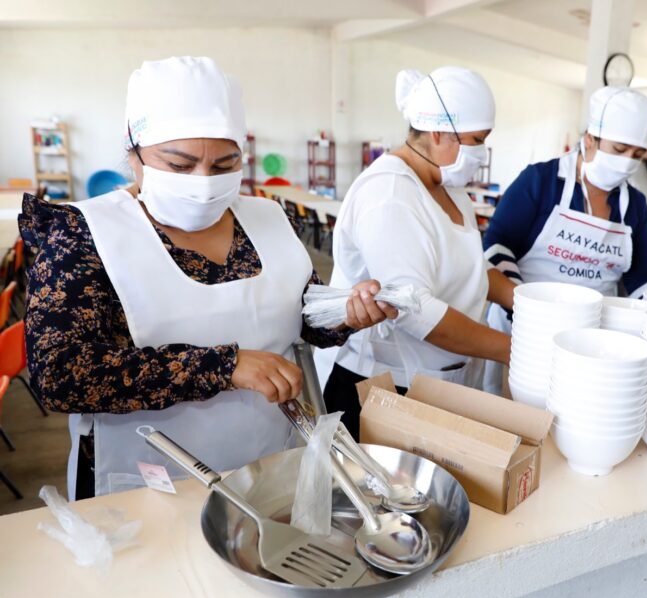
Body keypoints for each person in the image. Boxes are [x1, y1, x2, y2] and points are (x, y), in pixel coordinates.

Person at [19, 56, 396, 499]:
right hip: (146, 481)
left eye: (223, 166)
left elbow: (303, 314)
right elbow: (61, 375)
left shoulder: (268, 219)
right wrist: (224, 366)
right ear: (134, 151)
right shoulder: (86, 234)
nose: (202, 182)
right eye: (179, 165)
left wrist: (347, 312)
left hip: (268, 459)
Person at [315, 67, 515, 438]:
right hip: (379, 387)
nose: (481, 152)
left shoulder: (449, 188)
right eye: (476, 139)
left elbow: (470, 267)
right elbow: (415, 310)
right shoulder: (390, 194)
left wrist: (526, 302)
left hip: (433, 381)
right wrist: (513, 349)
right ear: (439, 132)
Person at [480, 86, 647, 393]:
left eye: (637, 154)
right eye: (619, 150)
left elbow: (644, 277)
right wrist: (526, 308)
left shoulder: (633, 205)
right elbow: (498, 245)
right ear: (590, 140)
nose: (627, 162)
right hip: (523, 330)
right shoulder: (540, 181)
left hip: (593, 342)